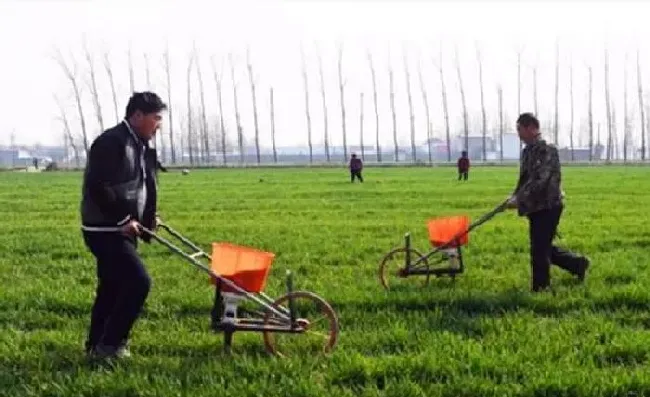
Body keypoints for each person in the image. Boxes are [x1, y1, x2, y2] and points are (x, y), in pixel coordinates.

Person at [80, 91, 167, 360]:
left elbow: (142, 187)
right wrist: (123, 219)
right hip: (105, 230)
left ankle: (97, 345)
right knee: (138, 281)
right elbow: (99, 186)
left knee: (112, 286)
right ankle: (112, 345)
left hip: (123, 228)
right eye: (156, 118)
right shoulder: (111, 142)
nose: (159, 124)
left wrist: (148, 218)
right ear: (137, 115)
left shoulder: (140, 144)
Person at [506, 113, 590, 292]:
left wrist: (520, 198)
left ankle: (541, 288)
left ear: (531, 127)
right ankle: (577, 264)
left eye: (520, 129)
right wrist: (513, 196)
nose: (519, 134)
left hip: (549, 205)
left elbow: (540, 180)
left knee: (539, 249)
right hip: (534, 206)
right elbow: (524, 179)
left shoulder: (547, 150)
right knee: (541, 246)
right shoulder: (527, 152)